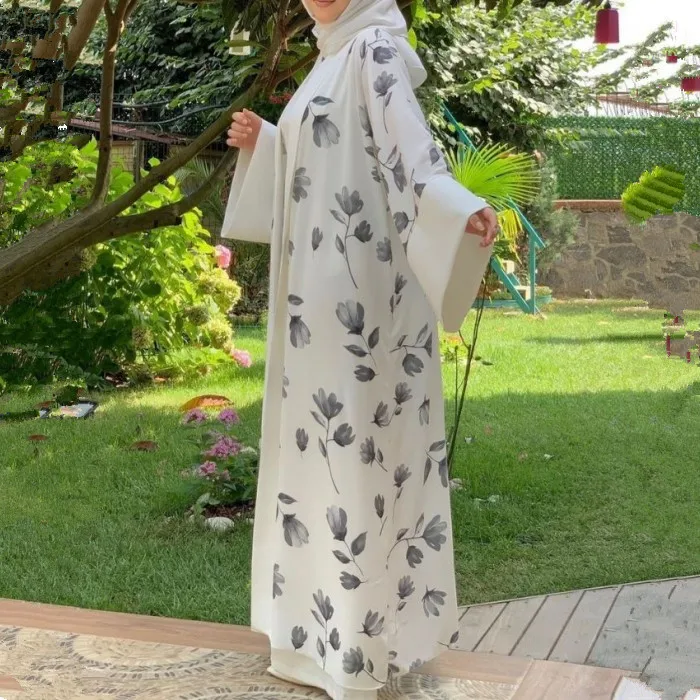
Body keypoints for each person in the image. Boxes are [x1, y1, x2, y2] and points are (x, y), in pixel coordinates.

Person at [221, 1, 498, 698]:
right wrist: (268, 143)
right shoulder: (331, 56)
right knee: (321, 455)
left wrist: (457, 205)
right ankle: (315, 638)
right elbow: (330, 160)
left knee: (357, 457)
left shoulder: (372, 48)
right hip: (316, 303)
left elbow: (409, 153)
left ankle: (359, 650)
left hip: (359, 301)